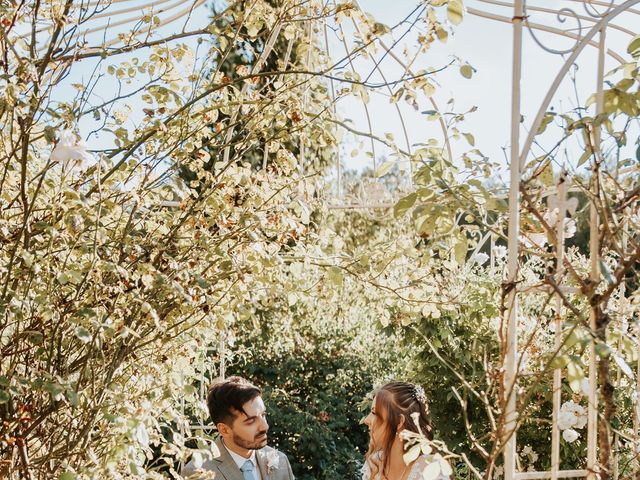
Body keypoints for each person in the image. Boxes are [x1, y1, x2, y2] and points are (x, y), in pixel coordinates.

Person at [182, 376, 295, 479]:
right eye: (251, 421)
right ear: (224, 430)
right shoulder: (197, 472)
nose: (264, 426)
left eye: (263, 415)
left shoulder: (281, 461)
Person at [362, 381, 451, 480]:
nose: (366, 420)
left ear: (399, 422)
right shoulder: (374, 465)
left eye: (374, 413)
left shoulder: (431, 471)